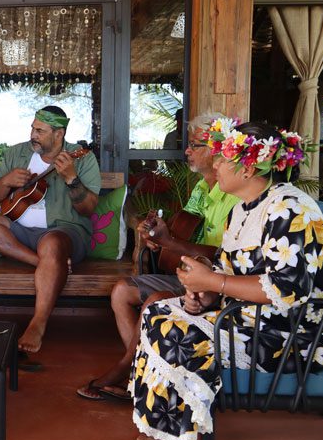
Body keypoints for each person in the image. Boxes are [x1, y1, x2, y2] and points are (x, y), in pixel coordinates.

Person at [130, 120, 323, 440]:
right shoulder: (242, 209)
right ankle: (169, 425)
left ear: (247, 167)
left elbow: (287, 290)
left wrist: (213, 281)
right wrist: (203, 294)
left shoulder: (292, 211)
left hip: (297, 333)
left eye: (223, 160)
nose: (215, 165)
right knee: (158, 311)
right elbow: (230, 275)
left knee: (181, 334)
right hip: (250, 317)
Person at [77, 113, 239, 401]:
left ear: (218, 151)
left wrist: (172, 242)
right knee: (121, 291)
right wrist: (155, 238)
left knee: (156, 300)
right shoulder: (202, 188)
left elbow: (223, 255)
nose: (187, 150)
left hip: (212, 282)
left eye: (195, 145)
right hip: (186, 271)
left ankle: (128, 368)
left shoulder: (234, 195)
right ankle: (143, 367)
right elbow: (184, 231)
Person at [0, 106, 101, 354]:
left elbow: (88, 209)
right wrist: (6, 181)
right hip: (20, 231)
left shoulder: (82, 158)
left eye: (40, 131)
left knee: (51, 243)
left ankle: (38, 322)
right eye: (32, 128)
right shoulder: (17, 153)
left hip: (65, 232)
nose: (33, 134)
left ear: (59, 134)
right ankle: (40, 262)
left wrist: (72, 180)